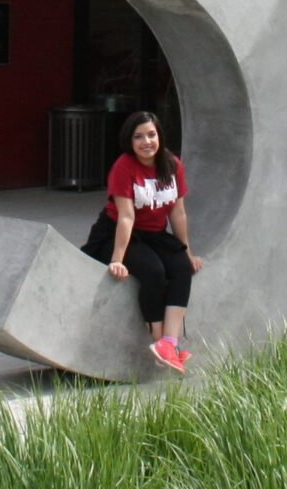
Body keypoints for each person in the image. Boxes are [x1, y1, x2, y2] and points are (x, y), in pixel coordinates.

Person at [80, 111, 205, 372]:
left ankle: (170, 343)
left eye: (151, 134)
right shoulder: (123, 167)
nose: (146, 142)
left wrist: (188, 252)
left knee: (182, 268)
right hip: (117, 233)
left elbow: (177, 212)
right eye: (138, 137)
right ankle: (158, 342)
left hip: (154, 234)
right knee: (154, 271)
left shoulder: (172, 165)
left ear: (160, 135)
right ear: (129, 140)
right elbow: (126, 218)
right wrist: (117, 259)